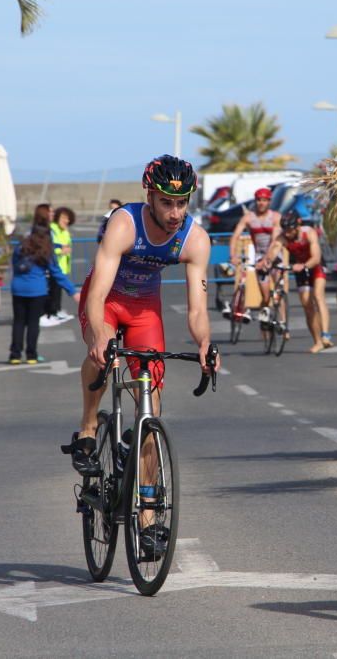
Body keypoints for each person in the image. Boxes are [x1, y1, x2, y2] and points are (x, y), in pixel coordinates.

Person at [70, 155, 217, 478]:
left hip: (144, 311)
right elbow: (95, 294)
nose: (175, 213)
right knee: (102, 357)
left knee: (151, 405)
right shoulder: (125, 223)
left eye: (182, 203)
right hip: (107, 302)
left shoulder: (195, 239)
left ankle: (147, 510)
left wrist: (205, 342)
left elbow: (196, 309)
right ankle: (89, 426)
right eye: (166, 203)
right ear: (149, 195)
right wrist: (98, 334)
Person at [10, 210, 80, 364]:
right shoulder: (46, 251)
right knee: (33, 323)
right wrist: (73, 291)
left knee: (19, 322)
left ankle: (15, 355)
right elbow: (57, 273)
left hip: (18, 288)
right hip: (37, 290)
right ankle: (31, 355)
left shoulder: (20, 248)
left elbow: (14, 265)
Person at [265, 213, 332, 353]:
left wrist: (304, 266)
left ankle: (325, 334)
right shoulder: (283, 237)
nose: (288, 233)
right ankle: (317, 341)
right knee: (307, 306)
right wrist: (269, 261)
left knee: (318, 296)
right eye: (285, 230)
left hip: (315, 266)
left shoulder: (309, 233)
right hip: (300, 269)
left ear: (298, 225)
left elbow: (316, 257)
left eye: (290, 230)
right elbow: (274, 249)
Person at [226, 187, 281, 326]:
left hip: (274, 255)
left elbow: (275, 241)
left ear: (269, 201)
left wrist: (267, 259)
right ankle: (265, 317)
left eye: (264, 200)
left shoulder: (275, 217)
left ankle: (283, 322)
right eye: (258, 200)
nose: (261, 203)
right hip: (259, 256)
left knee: (279, 291)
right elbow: (235, 236)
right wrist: (232, 255)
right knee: (266, 295)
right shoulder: (249, 217)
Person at [48, 206, 76, 323]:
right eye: (64, 218)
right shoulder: (52, 229)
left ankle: (57, 310)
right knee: (53, 290)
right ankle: (51, 312)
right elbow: (50, 247)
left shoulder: (64, 230)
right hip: (54, 266)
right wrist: (60, 251)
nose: (66, 221)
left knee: (58, 290)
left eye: (68, 219)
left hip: (63, 265)